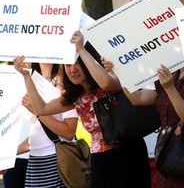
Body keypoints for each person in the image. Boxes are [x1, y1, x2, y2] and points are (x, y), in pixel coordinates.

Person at [13, 31, 152, 188]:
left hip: (130, 152)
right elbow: (41, 108)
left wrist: (80, 49)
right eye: (67, 65)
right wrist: (26, 76)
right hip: (101, 159)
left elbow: (107, 83)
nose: (72, 69)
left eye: (77, 63)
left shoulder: (107, 80)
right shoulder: (75, 96)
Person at [103, 56, 184, 188]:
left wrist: (170, 88)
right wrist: (121, 74)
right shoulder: (171, 71)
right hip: (166, 159)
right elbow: (138, 98)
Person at [17, 63, 79, 188]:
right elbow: (37, 134)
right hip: (35, 162)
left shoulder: (64, 85)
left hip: (57, 159)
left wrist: (37, 112)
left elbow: (69, 132)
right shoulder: (29, 82)